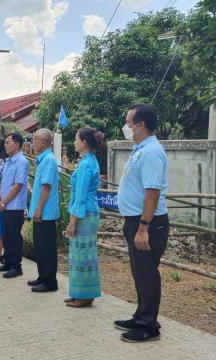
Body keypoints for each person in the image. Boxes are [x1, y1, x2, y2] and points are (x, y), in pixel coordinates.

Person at [115, 104, 169, 343]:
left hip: (148, 222)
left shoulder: (151, 153)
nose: (125, 127)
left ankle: (149, 326)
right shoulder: (139, 148)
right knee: (139, 271)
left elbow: (152, 193)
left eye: (128, 123)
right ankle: (141, 315)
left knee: (147, 272)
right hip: (135, 220)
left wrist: (143, 227)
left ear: (140, 125)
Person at [64, 127, 104, 307]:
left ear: (84, 142)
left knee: (83, 254)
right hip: (85, 211)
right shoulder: (88, 161)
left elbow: (80, 196)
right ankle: (79, 292)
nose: (74, 142)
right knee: (78, 253)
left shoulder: (87, 164)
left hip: (84, 213)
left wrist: (72, 222)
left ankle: (85, 295)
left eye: (76, 139)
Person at [27, 129, 59, 292]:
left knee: (46, 247)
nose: (32, 143)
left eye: (35, 140)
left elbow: (46, 187)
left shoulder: (48, 160)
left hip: (45, 212)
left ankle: (50, 281)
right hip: (41, 212)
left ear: (43, 142)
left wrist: (38, 209)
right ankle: (42, 276)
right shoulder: (43, 159)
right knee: (40, 246)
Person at [0, 133, 28, 279]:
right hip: (4, 204)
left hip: (14, 206)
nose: (5, 145)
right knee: (6, 235)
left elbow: (18, 185)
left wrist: (4, 202)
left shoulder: (21, 161)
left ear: (18, 144)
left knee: (14, 237)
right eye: (5, 142)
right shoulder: (8, 161)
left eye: (9, 142)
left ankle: (16, 266)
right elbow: (4, 183)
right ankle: (7, 261)